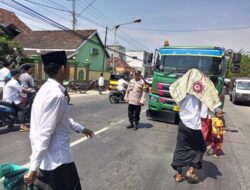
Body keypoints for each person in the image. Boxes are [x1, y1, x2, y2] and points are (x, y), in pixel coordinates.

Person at [23, 51, 94, 190]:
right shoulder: (56, 95)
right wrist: (33, 168)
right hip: (59, 162)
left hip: (49, 161)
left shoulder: (45, 90)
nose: (67, 70)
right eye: (67, 67)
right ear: (62, 68)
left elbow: (62, 120)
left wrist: (81, 128)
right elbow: (45, 132)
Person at [169, 68, 221, 184]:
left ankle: (178, 175)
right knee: (200, 148)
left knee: (181, 148)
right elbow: (211, 100)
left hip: (182, 122)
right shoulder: (200, 93)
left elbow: (173, 89)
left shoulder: (183, 90)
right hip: (193, 126)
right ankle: (190, 172)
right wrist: (217, 109)